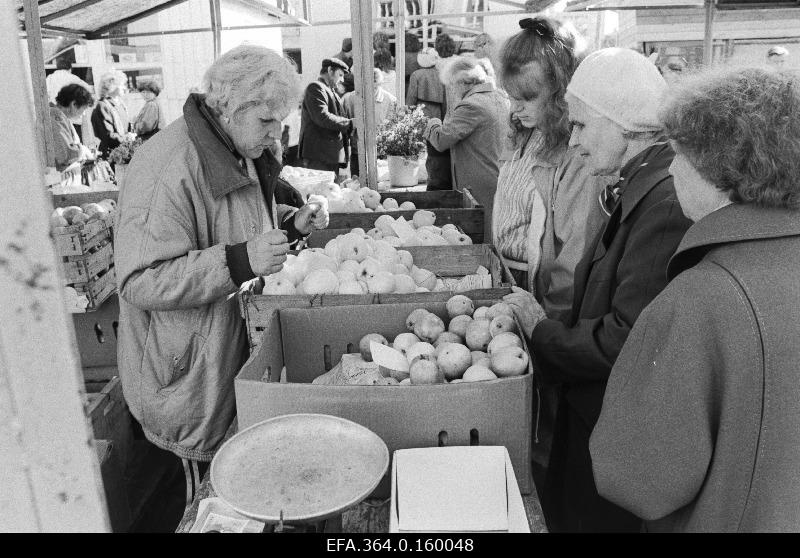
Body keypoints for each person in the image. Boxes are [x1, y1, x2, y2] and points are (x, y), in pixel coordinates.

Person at [115, 45, 330, 523]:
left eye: (281, 120)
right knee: (195, 511)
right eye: (268, 121)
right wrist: (239, 260)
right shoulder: (168, 167)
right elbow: (138, 279)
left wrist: (292, 227)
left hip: (225, 360)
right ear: (228, 105)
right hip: (186, 382)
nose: (279, 134)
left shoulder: (236, 147)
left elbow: (238, 229)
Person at [590, 67, 800, 533]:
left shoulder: (700, 296)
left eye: (681, 155)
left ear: (722, 170)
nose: (670, 168)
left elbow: (637, 477)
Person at [502, 48, 693, 532]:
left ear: (622, 124)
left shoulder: (664, 203)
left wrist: (541, 333)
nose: (575, 139)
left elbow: (625, 340)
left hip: (611, 425)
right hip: (596, 414)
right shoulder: (640, 183)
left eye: (583, 126)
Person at [424, 56, 509, 239]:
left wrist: (432, 123)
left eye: (451, 85)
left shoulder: (471, 105)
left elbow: (441, 140)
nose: (452, 90)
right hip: (498, 175)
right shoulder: (500, 97)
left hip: (478, 184)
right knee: (495, 234)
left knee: (481, 237)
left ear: (462, 83)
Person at [299, 57, 353, 182]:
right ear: (330, 70)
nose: (342, 80)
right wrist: (349, 123)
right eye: (340, 75)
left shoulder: (329, 90)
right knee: (321, 195)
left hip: (329, 156)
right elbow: (322, 117)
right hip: (319, 156)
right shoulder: (315, 87)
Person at [407, 47, 451, 190]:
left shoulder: (416, 75)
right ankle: (434, 178)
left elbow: (411, 99)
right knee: (436, 149)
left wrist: (409, 118)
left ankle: (429, 179)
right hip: (437, 113)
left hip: (421, 112)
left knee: (423, 150)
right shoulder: (441, 75)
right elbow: (445, 100)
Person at [343, 68, 397, 177]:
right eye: (367, 86)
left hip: (381, 152)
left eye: (375, 86)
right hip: (358, 151)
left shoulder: (390, 100)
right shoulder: (351, 98)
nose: (371, 90)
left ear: (380, 84)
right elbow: (346, 125)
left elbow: (393, 128)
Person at [49, 84, 95, 171]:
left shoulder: (62, 117)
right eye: (84, 108)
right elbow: (63, 154)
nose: (84, 113)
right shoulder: (56, 117)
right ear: (73, 104)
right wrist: (82, 150)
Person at [91, 70, 133, 159]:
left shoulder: (121, 104)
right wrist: (126, 139)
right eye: (122, 84)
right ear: (111, 86)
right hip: (112, 155)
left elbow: (128, 127)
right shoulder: (102, 106)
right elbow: (107, 135)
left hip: (124, 151)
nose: (125, 88)